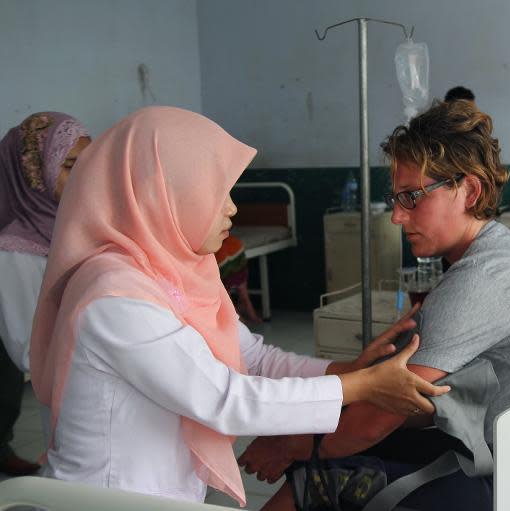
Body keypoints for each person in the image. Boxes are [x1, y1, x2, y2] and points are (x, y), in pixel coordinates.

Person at [28, 106, 449, 506]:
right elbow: (227, 399)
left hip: (159, 494)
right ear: (165, 195)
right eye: (218, 194)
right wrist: (361, 387)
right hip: (103, 500)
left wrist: (347, 371)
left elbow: (252, 356)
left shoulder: (174, 270)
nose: (232, 208)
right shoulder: (114, 298)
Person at [238, 101, 510, 511]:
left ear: (469, 191)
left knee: (319, 479)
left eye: (412, 197)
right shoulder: (499, 255)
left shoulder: (483, 282)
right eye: (396, 198)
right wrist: (309, 434)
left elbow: (375, 420)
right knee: (347, 451)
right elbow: (417, 402)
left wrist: (292, 445)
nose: (397, 217)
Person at [0, 111, 90, 477]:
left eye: (88, 163)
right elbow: (29, 350)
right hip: (73, 394)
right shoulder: (15, 251)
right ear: (33, 173)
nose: (84, 176)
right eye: (70, 165)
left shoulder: (85, 227)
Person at [215, 234, 261, 325]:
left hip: (226, 259)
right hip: (233, 256)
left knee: (226, 294)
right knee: (240, 292)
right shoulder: (234, 242)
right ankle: (245, 308)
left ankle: (239, 313)